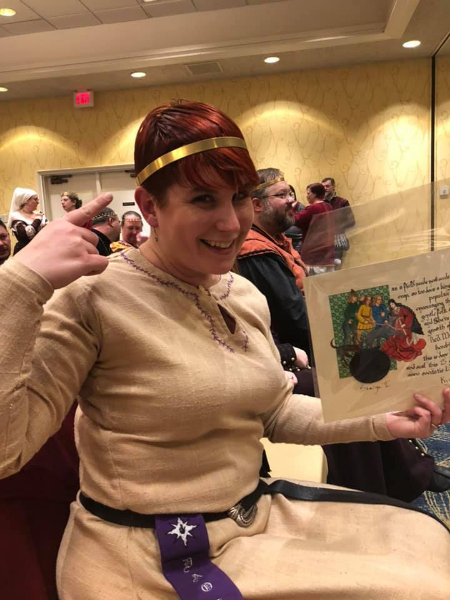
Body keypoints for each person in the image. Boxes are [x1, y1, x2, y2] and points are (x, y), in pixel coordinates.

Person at [1, 101, 449, 600]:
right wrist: (20, 282)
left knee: (427, 543)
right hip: (149, 554)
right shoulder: (91, 297)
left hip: (248, 517)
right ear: (150, 207)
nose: (232, 223)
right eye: (202, 199)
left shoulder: (241, 291)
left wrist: (382, 418)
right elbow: (6, 452)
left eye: (239, 198)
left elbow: (275, 410)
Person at [294, 182, 335, 275]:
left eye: (308, 193)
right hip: (328, 253)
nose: (307, 196)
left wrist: (292, 208)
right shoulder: (329, 206)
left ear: (315, 194)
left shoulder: (313, 208)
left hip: (315, 255)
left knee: (314, 281)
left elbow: (296, 220)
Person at [321, 177, 355, 267]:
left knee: (336, 266)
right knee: (324, 269)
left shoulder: (343, 202)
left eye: (327, 186)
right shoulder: (319, 204)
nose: (325, 188)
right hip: (322, 242)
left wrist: (337, 227)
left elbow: (351, 221)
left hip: (338, 240)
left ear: (333, 187)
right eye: (323, 187)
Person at [7, 187, 47, 254]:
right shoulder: (16, 216)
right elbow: (26, 235)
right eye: (35, 199)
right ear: (26, 200)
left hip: (41, 249)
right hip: (24, 251)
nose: (38, 202)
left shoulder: (39, 214)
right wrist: (37, 220)